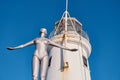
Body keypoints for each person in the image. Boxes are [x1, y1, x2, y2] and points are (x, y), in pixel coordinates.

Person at [7, 28, 77, 80]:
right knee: (34, 76)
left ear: (45, 33)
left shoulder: (48, 40)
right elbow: (23, 45)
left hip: (45, 56)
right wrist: (14, 48)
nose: (43, 31)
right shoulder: (36, 39)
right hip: (36, 55)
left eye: (44, 30)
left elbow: (60, 46)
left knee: (43, 77)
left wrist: (70, 49)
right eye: (43, 30)